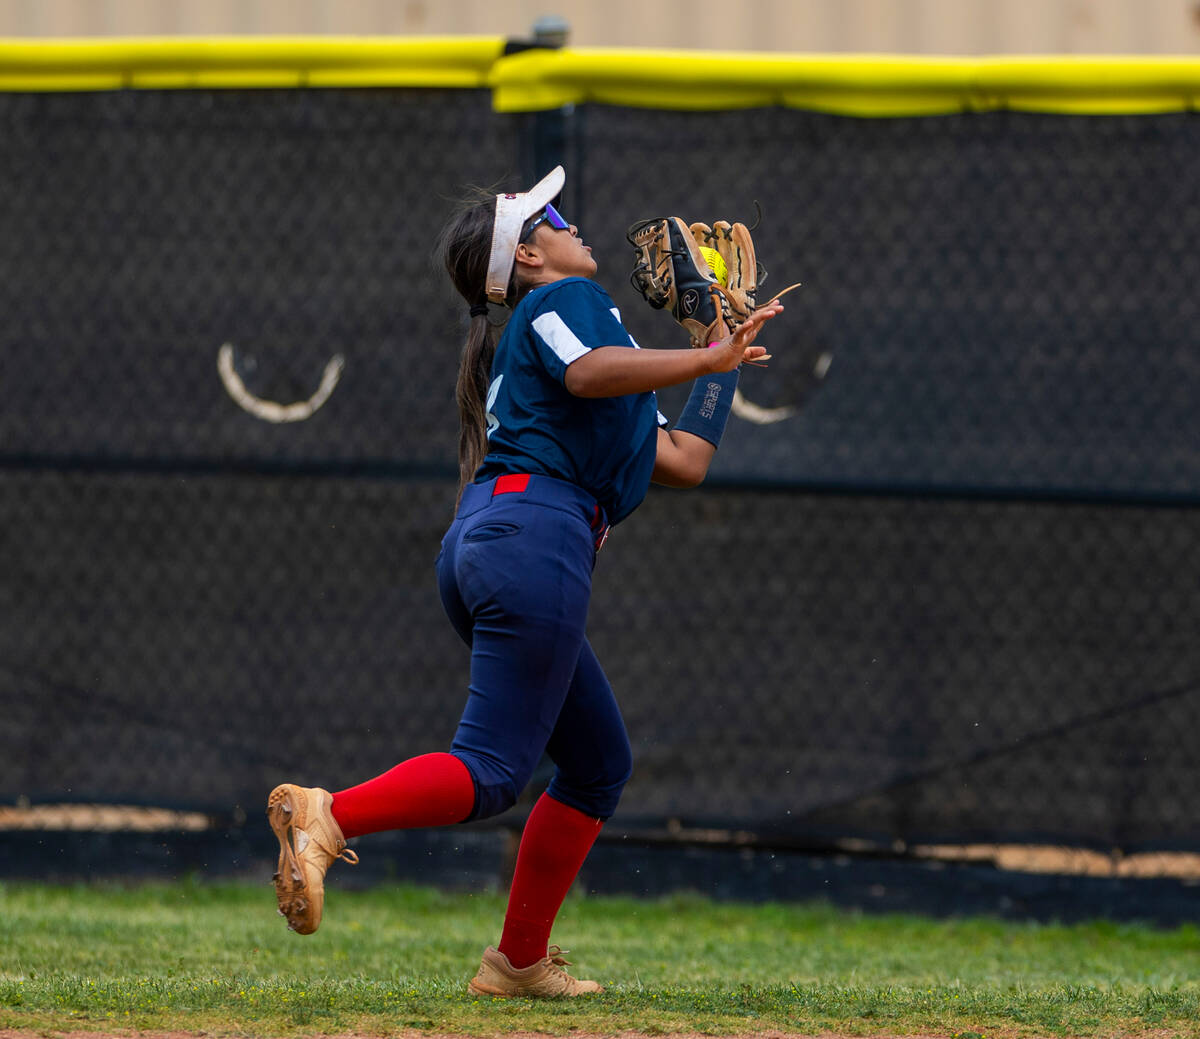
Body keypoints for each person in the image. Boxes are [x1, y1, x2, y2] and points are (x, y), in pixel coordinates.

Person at [267, 166, 782, 999]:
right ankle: (327, 817)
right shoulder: (566, 306)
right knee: (493, 770)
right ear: (532, 257)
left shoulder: (585, 350)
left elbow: (683, 461)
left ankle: (517, 962)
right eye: (551, 216)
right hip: (532, 539)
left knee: (596, 763)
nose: (571, 222)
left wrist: (718, 351)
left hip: (496, 540)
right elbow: (590, 373)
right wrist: (701, 352)